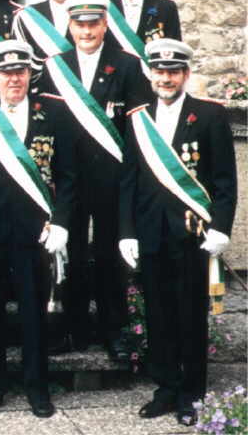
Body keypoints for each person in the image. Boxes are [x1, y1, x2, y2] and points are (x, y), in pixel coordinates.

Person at [0, 40, 78, 419]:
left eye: (20, 72)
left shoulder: (53, 112)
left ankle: (37, 387)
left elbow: (69, 176)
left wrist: (62, 222)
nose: (13, 79)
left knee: (33, 310)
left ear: (30, 75)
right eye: (6, 73)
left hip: (35, 230)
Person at [119, 38, 237, 426]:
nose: (165, 79)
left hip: (192, 233)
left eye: (173, 72)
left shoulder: (209, 115)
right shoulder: (138, 119)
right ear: (151, 74)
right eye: (159, 71)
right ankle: (166, 388)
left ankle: (192, 393)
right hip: (151, 233)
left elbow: (224, 181)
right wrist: (127, 231)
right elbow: (130, 180)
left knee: (190, 315)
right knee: (158, 313)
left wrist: (221, 228)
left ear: (185, 74)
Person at [37, 0, 152, 358]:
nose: (86, 31)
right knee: (67, 254)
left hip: (112, 177)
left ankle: (113, 329)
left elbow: (137, 128)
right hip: (66, 179)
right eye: (79, 25)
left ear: (104, 25)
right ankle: (72, 327)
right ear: (70, 26)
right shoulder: (55, 67)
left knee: (108, 255)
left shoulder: (127, 66)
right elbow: (46, 125)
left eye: (93, 24)